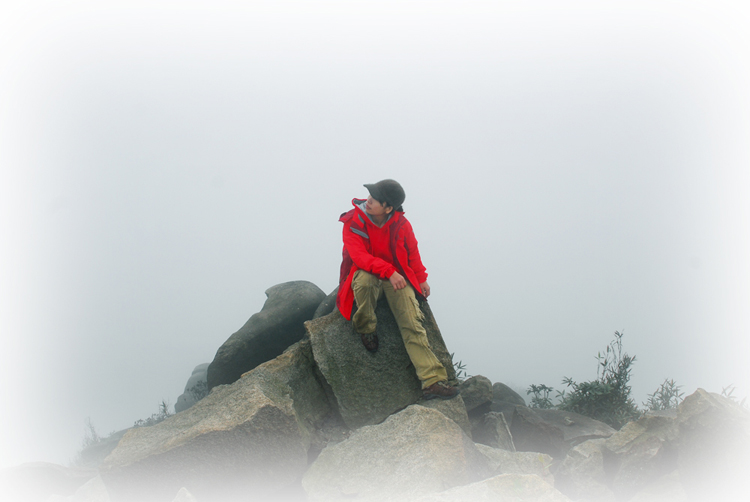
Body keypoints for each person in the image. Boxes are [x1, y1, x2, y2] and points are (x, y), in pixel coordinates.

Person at [336, 179, 459, 400]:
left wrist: (421, 279)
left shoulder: (401, 224)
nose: (369, 200)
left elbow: (412, 252)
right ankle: (366, 327)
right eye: (370, 195)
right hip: (368, 273)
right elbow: (359, 257)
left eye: (375, 199)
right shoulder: (353, 221)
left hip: (396, 278)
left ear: (388, 208)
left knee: (412, 323)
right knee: (365, 282)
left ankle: (432, 381)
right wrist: (389, 271)